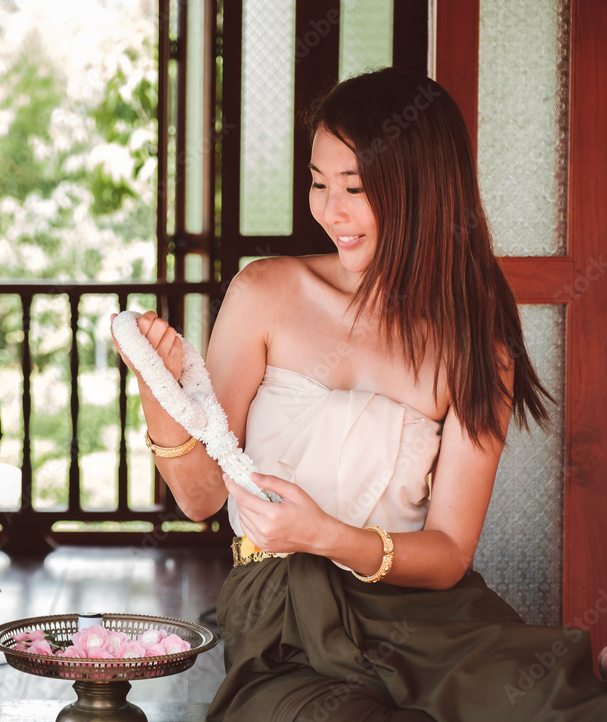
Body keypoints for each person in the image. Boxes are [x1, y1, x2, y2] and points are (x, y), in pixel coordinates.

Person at [112, 67, 607, 721]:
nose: (329, 211)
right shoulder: (267, 293)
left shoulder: (477, 343)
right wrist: (157, 386)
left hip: (430, 623)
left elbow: (449, 555)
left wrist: (328, 532)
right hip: (284, 621)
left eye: (355, 187)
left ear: (423, 191)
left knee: (563, 705)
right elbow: (202, 496)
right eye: (319, 183)